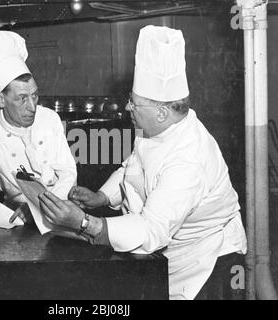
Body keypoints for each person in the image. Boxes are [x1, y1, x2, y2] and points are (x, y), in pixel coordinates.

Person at [37, 25, 247, 300]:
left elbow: (151, 229)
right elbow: (131, 166)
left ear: (161, 113)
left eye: (134, 104)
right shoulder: (156, 130)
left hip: (207, 261)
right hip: (167, 252)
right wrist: (102, 197)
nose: (127, 109)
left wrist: (84, 223)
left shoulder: (188, 160)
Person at [0, 31, 77, 228]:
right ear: (1, 99)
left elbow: (68, 173)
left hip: (62, 211)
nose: (32, 107)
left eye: (34, 96)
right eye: (22, 98)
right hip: (16, 219)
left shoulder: (50, 119)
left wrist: (39, 207)